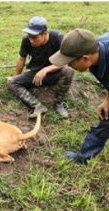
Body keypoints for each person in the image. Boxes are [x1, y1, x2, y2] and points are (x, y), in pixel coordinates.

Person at [48, 29, 109, 164]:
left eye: (70, 63)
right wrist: (107, 101)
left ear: (85, 58)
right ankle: (82, 158)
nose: (68, 65)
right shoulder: (92, 49)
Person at [7, 16, 74, 119]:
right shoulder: (26, 40)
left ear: (45, 34)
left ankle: (58, 104)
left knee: (69, 70)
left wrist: (46, 69)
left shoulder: (58, 38)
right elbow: (21, 59)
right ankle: (37, 106)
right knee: (12, 82)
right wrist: (16, 77)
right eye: (29, 36)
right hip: (36, 75)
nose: (31, 40)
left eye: (34, 37)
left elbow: (66, 61)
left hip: (56, 73)